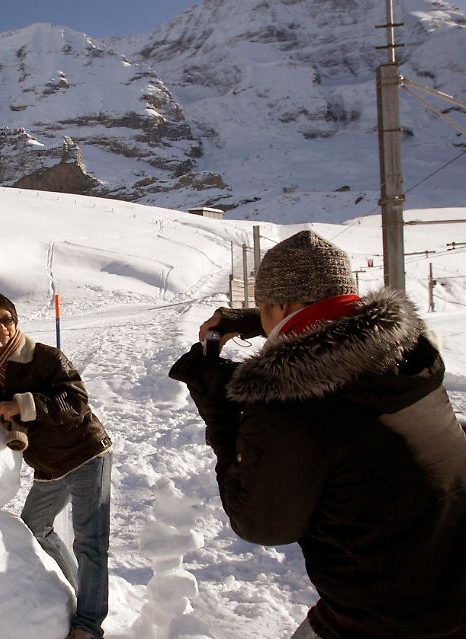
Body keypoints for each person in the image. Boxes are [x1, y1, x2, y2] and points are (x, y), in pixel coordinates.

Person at [168, 230, 466, 639]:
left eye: (264, 306)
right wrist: (258, 321)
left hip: (380, 618)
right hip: (449, 585)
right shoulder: (411, 353)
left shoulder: (288, 404)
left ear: (283, 305)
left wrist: (219, 413)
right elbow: (338, 328)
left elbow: (259, 523)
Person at [0, 290, 113, 639]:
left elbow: (76, 401)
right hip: (49, 467)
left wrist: (23, 404)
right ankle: (82, 589)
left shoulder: (45, 357)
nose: (2, 327)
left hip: (85, 454)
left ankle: (88, 625)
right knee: (35, 525)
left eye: (7, 319)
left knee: (90, 542)